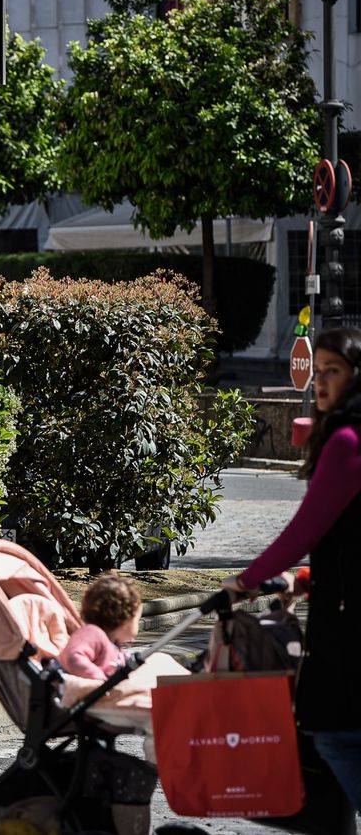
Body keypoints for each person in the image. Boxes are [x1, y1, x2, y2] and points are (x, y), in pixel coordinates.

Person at [229, 325, 361, 812]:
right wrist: (304, 578)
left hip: (348, 631)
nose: (321, 381)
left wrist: (241, 582)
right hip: (342, 606)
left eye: (334, 371)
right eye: (318, 371)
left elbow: (302, 532)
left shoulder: (348, 441)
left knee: (333, 735)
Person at [59, 573, 141, 679]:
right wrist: (100, 679)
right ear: (124, 619)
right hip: (91, 693)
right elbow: (72, 657)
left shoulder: (113, 644)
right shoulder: (92, 633)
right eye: (137, 620)